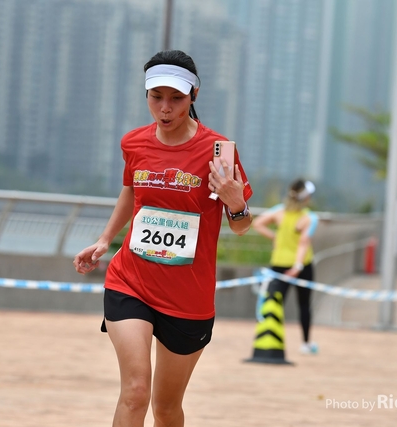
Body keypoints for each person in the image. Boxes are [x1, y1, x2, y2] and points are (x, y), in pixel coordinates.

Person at [73, 50, 252, 427]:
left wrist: (236, 204)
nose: (165, 108)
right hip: (130, 282)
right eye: (156, 97)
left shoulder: (219, 153)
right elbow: (131, 191)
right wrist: (105, 239)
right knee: (136, 391)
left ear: (194, 96)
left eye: (176, 98)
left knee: (167, 409)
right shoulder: (134, 143)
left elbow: (240, 226)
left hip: (188, 297)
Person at [252, 179, 318, 355]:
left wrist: (275, 237)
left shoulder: (278, 211)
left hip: (279, 264)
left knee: (273, 302)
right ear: (306, 198)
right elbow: (303, 243)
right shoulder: (310, 218)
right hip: (302, 266)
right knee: (304, 304)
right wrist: (297, 266)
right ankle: (305, 344)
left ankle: (267, 339)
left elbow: (257, 223)